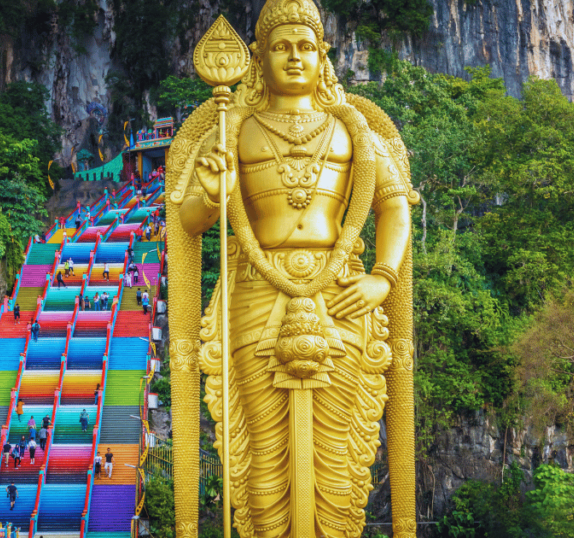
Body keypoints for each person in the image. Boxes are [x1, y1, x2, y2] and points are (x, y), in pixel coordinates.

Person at [166, 0, 417, 530]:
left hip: (342, 291)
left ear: (323, 54)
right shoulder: (230, 129)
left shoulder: (353, 128)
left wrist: (382, 277)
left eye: (306, 46)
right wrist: (213, 195)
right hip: (257, 290)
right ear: (258, 57)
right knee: (262, 452)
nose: (295, 57)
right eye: (281, 47)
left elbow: (394, 204)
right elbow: (187, 220)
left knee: (337, 451)